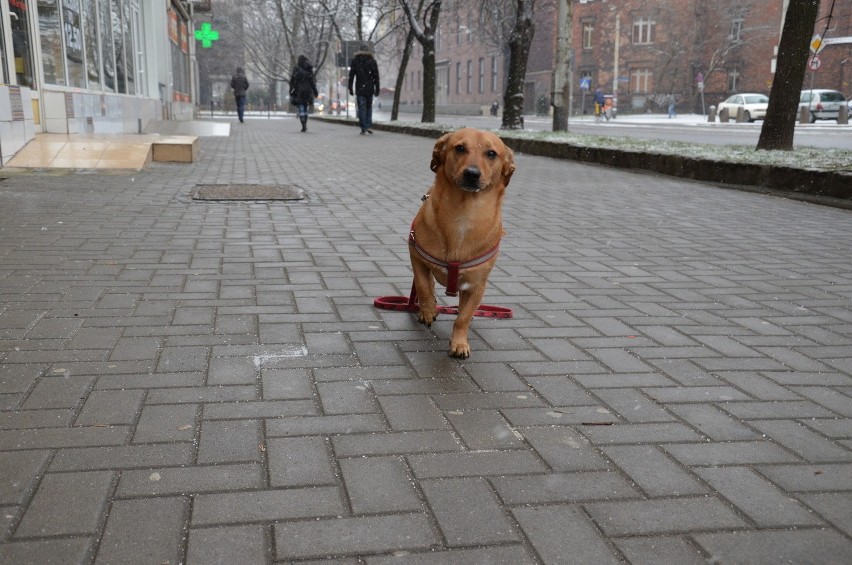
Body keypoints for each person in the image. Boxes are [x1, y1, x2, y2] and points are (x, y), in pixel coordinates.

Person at [348, 44, 380, 134]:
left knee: (361, 108)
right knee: (369, 108)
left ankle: (363, 127)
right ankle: (369, 125)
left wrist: (350, 88)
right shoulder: (372, 61)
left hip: (360, 89)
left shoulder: (355, 61)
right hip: (369, 89)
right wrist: (377, 88)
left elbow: (351, 76)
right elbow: (376, 77)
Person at [289, 55, 319, 133]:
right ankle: (305, 123)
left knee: (301, 107)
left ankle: (303, 124)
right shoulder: (309, 70)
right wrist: (315, 92)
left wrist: (291, 91)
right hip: (307, 92)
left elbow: (292, 81)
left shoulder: (297, 70)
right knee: (305, 108)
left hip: (299, 91)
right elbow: (312, 82)